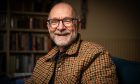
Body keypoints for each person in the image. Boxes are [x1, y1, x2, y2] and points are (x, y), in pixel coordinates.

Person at [25, 2, 118, 84]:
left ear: (78, 25)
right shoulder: (42, 61)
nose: (60, 27)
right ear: (48, 27)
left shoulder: (96, 54)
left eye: (67, 20)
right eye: (54, 21)